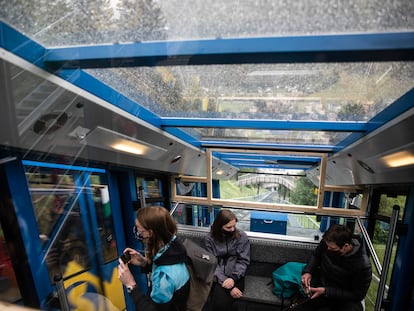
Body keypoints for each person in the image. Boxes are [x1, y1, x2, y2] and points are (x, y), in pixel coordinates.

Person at [118, 206, 190, 311]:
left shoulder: (164, 279)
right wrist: (145, 263)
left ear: (150, 233)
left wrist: (131, 285)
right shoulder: (173, 246)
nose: (137, 232)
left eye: (139, 229)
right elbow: (166, 264)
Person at [299, 224, 372, 311]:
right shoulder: (329, 243)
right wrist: (308, 271)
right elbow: (316, 255)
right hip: (322, 288)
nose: (328, 249)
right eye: (327, 246)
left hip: (345, 299)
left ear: (346, 246)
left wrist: (327, 291)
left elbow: (357, 295)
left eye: (333, 249)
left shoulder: (363, 265)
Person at [203, 209, 250, 311]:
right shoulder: (210, 239)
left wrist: (233, 278)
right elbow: (212, 263)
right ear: (219, 227)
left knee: (221, 304)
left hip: (236, 275)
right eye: (228, 227)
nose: (233, 229)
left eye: (234, 226)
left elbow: (243, 260)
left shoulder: (241, 236)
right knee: (216, 303)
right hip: (218, 276)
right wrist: (227, 284)